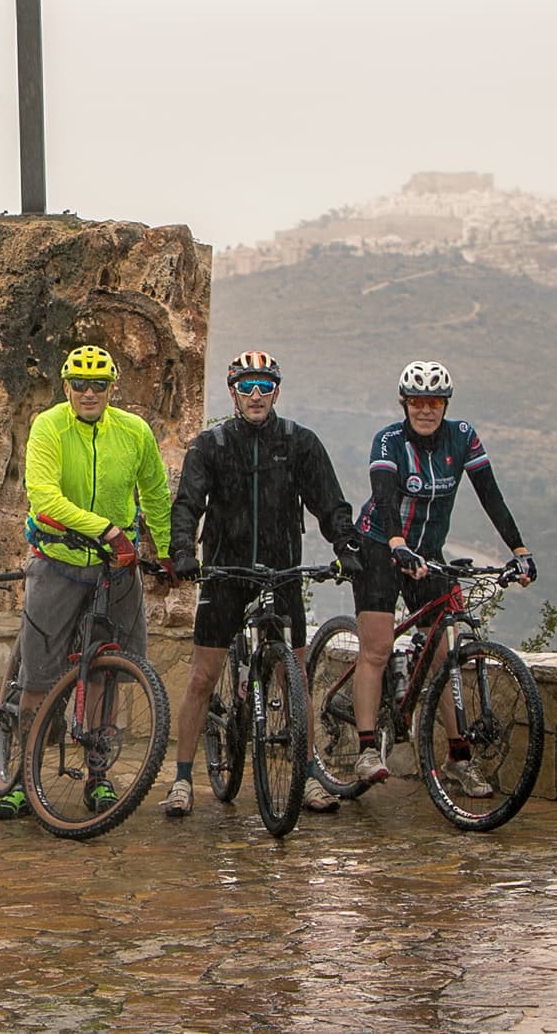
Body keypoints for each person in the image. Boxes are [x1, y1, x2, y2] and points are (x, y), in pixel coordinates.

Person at [162, 350, 357, 818]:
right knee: (203, 677)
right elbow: (187, 503)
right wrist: (184, 552)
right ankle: (183, 779)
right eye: (246, 386)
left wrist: (346, 545)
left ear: (276, 391)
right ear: (232, 393)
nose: (255, 395)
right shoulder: (211, 445)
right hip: (226, 573)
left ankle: (307, 774)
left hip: (281, 571)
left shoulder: (299, 443)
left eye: (264, 386)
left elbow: (329, 503)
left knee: (294, 677)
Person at [0, 345, 172, 820]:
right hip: (58, 558)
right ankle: (19, 780)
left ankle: (98, 774)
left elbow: (154, 491)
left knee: (108, 669)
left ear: (113, 388)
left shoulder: (133, 432)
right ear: (66, 386)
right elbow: (43, 496)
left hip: (116, 568)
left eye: (98, 385)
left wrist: (168, 551)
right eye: (79, 384)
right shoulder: (49, 426)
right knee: (38, 674)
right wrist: (105, 530)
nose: (88, 393)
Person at [349, 360, 537, 796]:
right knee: (376, 648)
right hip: (380, 545)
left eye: (434, 401)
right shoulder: (390, 441)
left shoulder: (462, 437)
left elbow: (490, 494)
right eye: (417, 401)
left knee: (447, 654)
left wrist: (519, 550)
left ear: (445, 404)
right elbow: (385, 496)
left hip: (429, 552)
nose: (425, 410)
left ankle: (458, 756)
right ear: (405, 403)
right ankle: (364, 750)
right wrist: (396, 543)